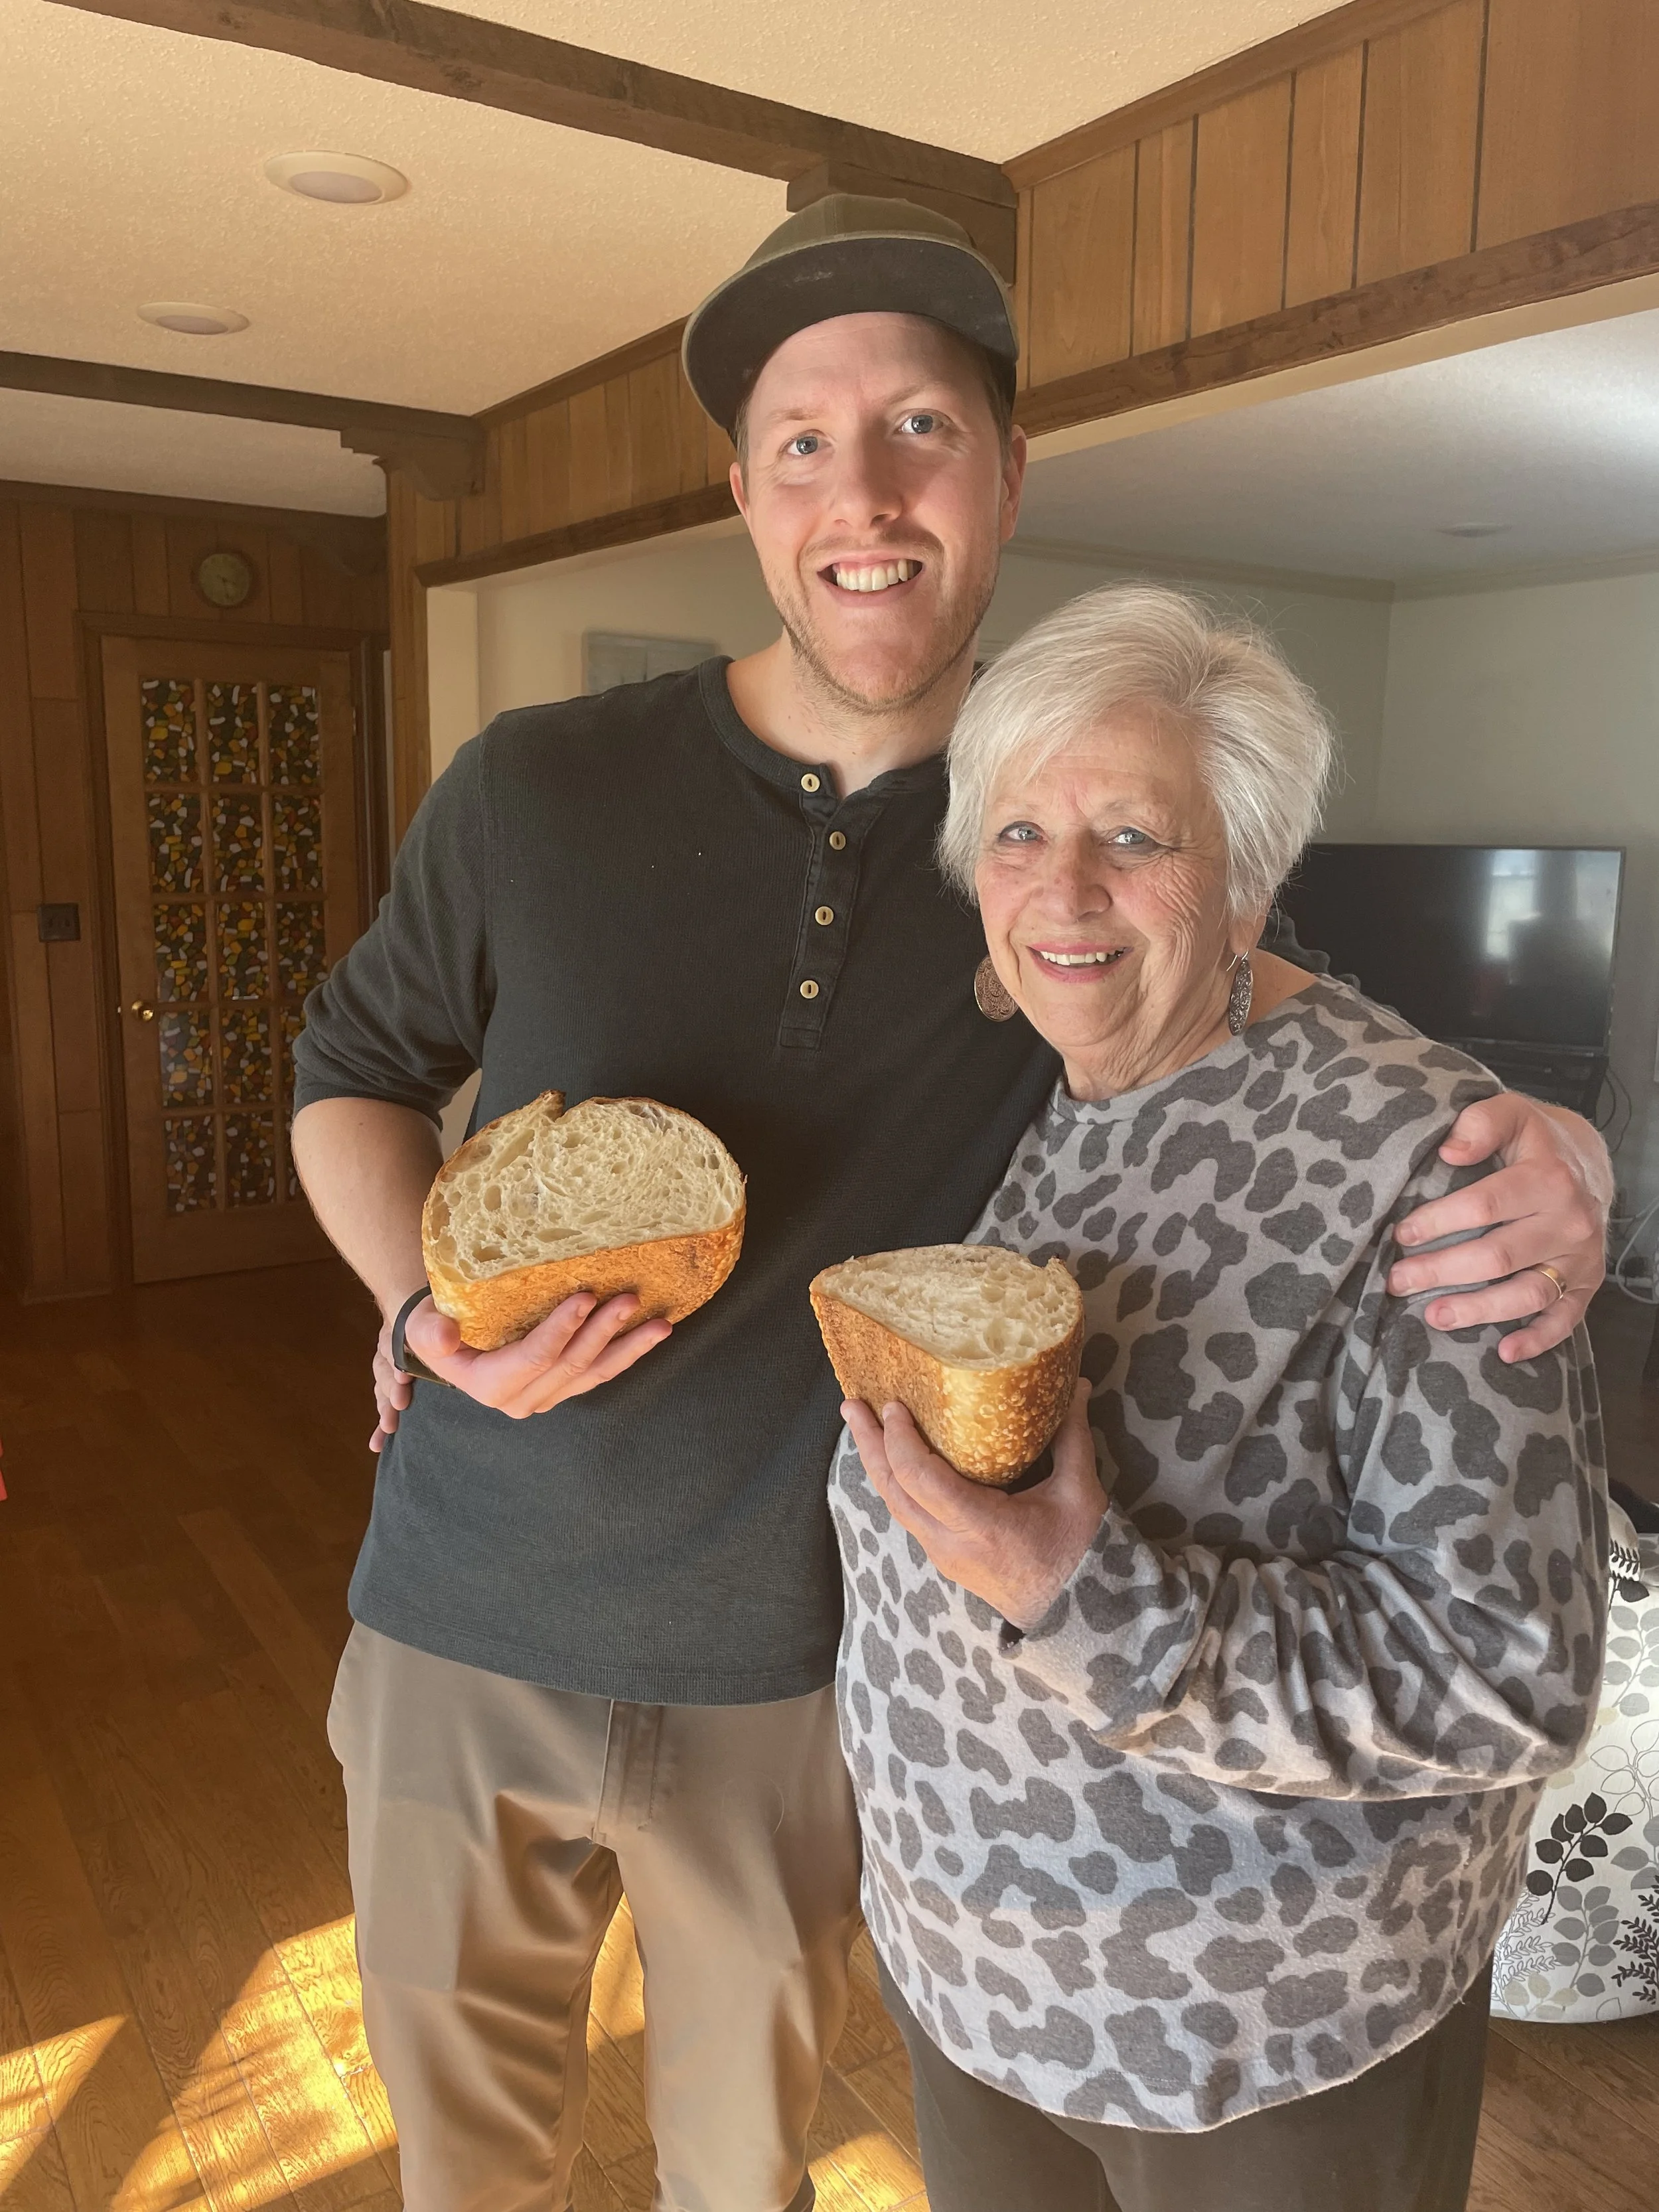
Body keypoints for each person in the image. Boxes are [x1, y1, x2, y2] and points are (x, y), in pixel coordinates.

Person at [289, 196, 1611, 2212]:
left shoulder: (1056, 823)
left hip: (796, 1675)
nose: (864, 494)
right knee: (461, 2171)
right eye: (804, 441)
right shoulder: (534, 782)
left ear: (1006, 473)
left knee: (745, 2176)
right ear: (742, 489)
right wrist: (412, 1316)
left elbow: (1269, 1015)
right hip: (458, 1614)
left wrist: (1578, 1153)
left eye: (919, 427)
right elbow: (346, 1076)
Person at [835, 582, 1609, 2212]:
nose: (1063, 888)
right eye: (1020, 832)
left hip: (1254, 2046)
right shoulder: (1034, 1081)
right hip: (977, 1991)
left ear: (1247, 880)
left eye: (1134, 836)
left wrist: (1080, 1598)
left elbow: (1509, 1673)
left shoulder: (1430, 1168)